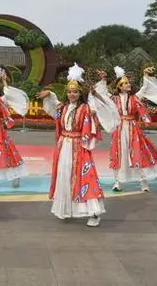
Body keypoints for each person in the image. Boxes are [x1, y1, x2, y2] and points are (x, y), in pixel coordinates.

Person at [36, 63, 119, 227]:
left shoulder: (86, 108)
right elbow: (53, 105)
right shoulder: (63, 108)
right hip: (64, 147)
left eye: (75, 91)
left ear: (80, 93)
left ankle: (94, 213)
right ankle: (67, 209)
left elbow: (105, 107)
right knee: (65, 176)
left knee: (86, 178)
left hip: (80, 146)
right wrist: (49, 93)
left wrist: (96, 94)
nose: (72, 94)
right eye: (69, 91)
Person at [95, 66, 157, 192]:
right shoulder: (114, 99)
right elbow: (103, 94)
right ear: (119, 86)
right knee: (119, 154)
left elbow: (144, 88)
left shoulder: (134, 97)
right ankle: (117, 182)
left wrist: (145, 75)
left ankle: (143, 182)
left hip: (132, 129)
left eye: (128, 83)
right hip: (119, 130)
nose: (128, 84)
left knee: (137, 153)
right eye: (125, 83)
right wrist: (103, 79)